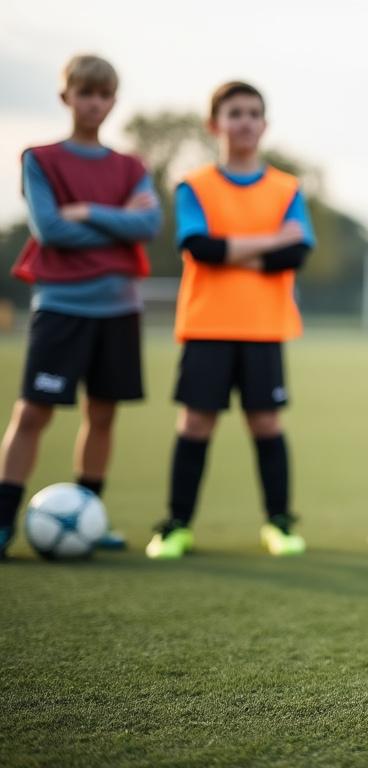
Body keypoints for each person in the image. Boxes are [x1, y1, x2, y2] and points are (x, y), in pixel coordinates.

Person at [0, 54, 161, 558]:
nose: (94, 103)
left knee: (103, 413)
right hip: (62, 306)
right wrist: (117, 223)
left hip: (119, 309)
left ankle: (90, 517)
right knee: (33, 412)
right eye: (85, 92)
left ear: (114, 101)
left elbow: (148, 226)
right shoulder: (39, 159)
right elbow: (50, 231)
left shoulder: (131, 167)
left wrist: (88, 211)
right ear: (65, 96)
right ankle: (2, 521)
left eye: (104, 94)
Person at [145, 81, 314, 560]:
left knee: (266, 423)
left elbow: (295, 255)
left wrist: (233, 250)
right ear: (214, 124)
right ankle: (177, 526)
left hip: (264, 326)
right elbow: (200, 248)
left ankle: (279, 523)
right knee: (195, 423)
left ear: (265, 124)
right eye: (235, 113)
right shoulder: (194, 185)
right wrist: (271, 239)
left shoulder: (286, 188)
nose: (245, 122)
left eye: (253, 113)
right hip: (207, 325)